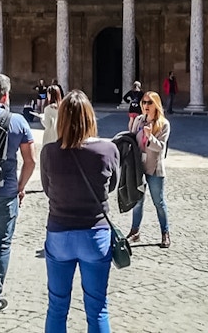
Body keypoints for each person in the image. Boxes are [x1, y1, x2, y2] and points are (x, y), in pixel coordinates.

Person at [40, 90, 120, 333]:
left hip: (60, 233)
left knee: (57, 306)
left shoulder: (49, 152)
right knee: (97, 308)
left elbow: (47, 189)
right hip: (95, 233)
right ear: (90, 118)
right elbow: (112, 185)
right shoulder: (108, 150)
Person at [0, 73, 36, 317]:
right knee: (1, 245)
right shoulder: (18, 122)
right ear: (6, 95)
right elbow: (31, 160)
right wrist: (20, 186)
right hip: (7, 189)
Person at [126, 90, 171, 248]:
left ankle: (165, 233)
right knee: (137, 201)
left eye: (149, 103)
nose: (145, 105)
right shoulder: (138, 120)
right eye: (144, 102)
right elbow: (131, 140)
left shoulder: (163, 124)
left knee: (158, 202)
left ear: (156, 105)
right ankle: (135, 231)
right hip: (139, 167)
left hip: (154, 169)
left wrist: (150, 136)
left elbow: (160, 148)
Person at [37, 85, 62, 158]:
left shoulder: (48, 108)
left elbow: (47, 124)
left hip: (51, 136)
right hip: (60, 134)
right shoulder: (63, 107)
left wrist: (42, 118)